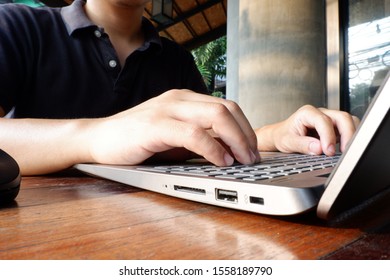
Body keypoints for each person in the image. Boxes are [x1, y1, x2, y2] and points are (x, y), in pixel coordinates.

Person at [0, 0, 359, 176]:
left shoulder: (176, 60)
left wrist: (273, 134)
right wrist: (98, 136)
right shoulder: (18, 25)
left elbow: (210, 140)